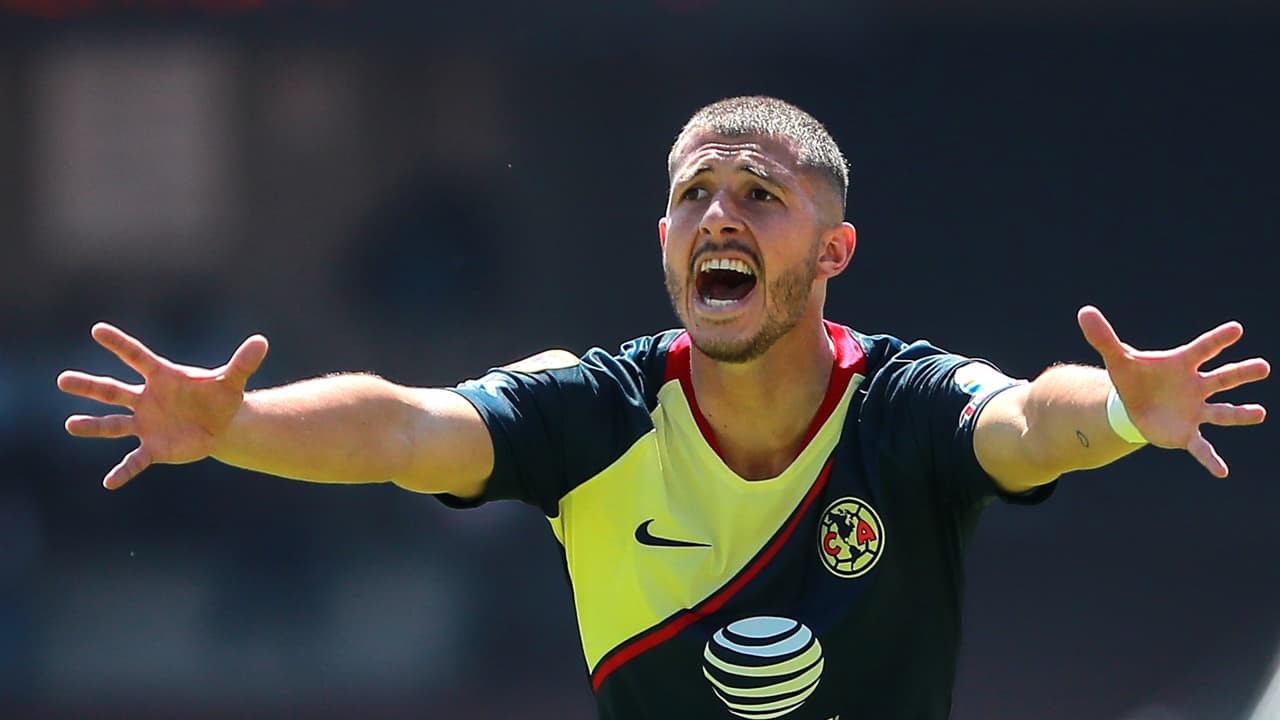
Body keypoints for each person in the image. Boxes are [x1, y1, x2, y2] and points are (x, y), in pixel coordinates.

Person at [57, 96, 1269, 720]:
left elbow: (1026, 422)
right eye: (694, 195)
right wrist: (234, 426)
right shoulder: (593, 410)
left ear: (833, 250)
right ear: (663, 239)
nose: (718, 216)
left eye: (759, 194)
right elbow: (401, 428)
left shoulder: (899, 404)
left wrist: (1123, 413)